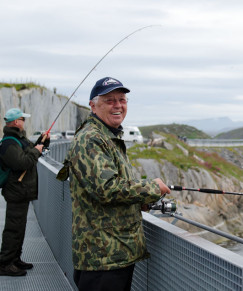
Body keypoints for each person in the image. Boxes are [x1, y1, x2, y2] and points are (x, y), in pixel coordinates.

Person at [58, 77, 170, 291]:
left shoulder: (107, 137)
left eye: (122, 99)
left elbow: (109, 189)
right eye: (110, 100)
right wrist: (152, 188)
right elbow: (106, 189)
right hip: (102, 257)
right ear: (93, 105)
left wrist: (138, 203)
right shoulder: (91, 139)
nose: (118, 105)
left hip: (115, 251)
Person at [0, 108, 48, 276]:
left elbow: (31, 153)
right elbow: (22, 163)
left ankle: (15, 259)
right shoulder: (8, 143)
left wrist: (42, 142)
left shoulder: (18, 139)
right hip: (16, 192)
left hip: (22, 191)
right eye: (22, 119)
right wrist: (36, 151)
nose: (24, 122)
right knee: (13, 229)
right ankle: (5, 264)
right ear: (15, 122)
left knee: (19, 228)